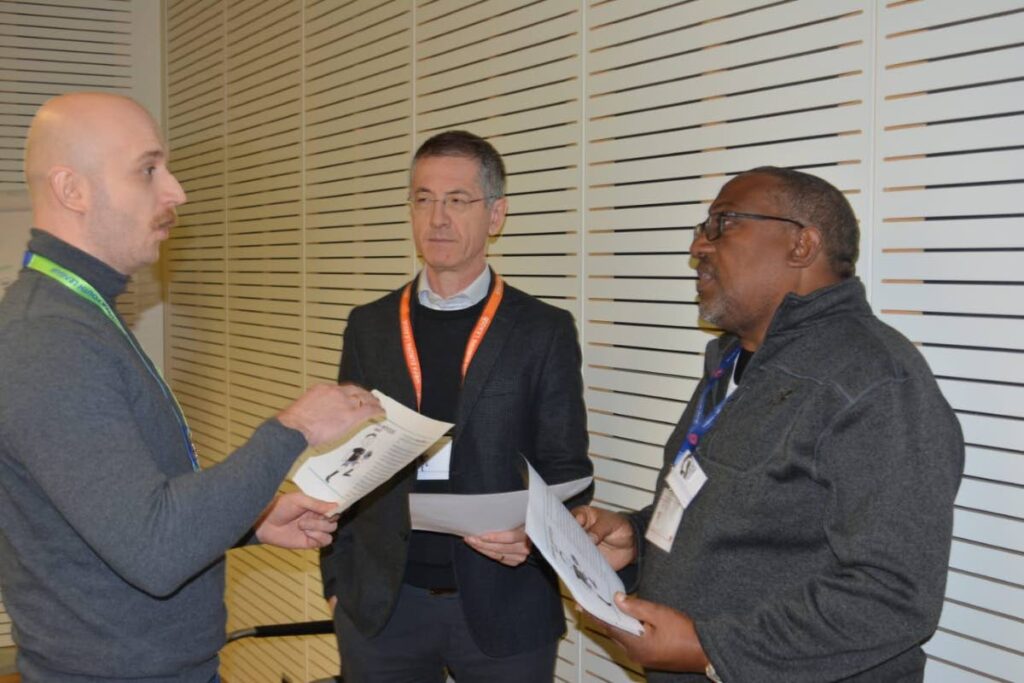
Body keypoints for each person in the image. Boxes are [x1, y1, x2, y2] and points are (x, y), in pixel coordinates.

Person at [0, 92, 383, 683]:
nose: (176, 190)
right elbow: (155, 549)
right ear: (72, 190)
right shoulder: (48, 339)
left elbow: (122, 514)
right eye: (148, 170)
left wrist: (250, 522)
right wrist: (294, 429)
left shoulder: (78, 317)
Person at [575, 167, 964, 682]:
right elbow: (736, 521)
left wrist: (709, 649)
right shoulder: (736, 361)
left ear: (801, 244)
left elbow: (893, 594)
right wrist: (637, 538)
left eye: (722, 223)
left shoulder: (874, 380)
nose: (698, 246)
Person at [319, 130, 592, 681]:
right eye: (423, 199)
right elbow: (346, 462)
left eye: (457, 200)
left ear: (496, 215)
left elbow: (568, 471)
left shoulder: (542, 330)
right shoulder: (369, 326)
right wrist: (337, 582)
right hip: (383, 607)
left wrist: (536, 542)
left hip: (505, 604)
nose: (437, 218)